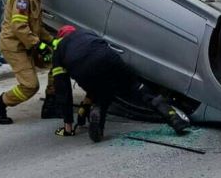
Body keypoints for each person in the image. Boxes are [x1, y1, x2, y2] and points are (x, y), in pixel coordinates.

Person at [51, 25, 190, 142]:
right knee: (137, 88)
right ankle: (173, 118)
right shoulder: (84, 32)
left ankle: (97, 112)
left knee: (101, 93)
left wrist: (68, 125)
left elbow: (63, 89)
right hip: (107, 57)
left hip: (82, 69)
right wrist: (84, 107)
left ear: (60, 37)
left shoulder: (59, 51)